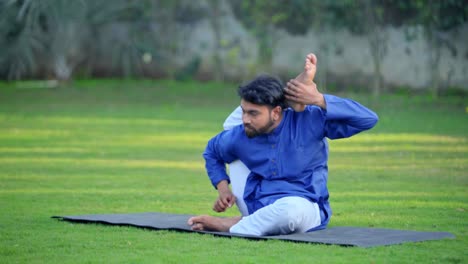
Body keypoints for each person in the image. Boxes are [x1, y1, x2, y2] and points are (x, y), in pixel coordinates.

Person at [187, 53, 379, 236]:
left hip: (305, 204)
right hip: (256, 204)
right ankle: (290, 94)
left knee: (290, 212)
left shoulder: (310, 119)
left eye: (253, 113)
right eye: (244, 112)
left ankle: (230, 225)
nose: (245, 119)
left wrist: (317, 99)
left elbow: (368, 119)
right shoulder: (243, 133)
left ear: (277, 112)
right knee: (232, 125)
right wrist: (223, 189)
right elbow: (212, 151)